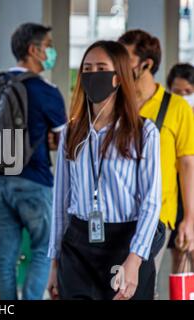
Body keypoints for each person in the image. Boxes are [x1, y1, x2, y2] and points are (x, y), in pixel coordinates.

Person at [47, 40, 161, 300]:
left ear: (119, 76)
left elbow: (151, 203)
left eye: (101, 67)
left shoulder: (143, 132)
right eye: (86, 69)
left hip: (126, 243)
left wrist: (135, 260)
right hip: (77, 245)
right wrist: (54, 264)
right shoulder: (71, 131)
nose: (92, 75)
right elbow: (60, 200)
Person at [0, 23, 67, 300]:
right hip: (34, 181)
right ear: (34, 50)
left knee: (4, 259)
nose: (51, 52)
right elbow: (64, 141)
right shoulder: (45, 90)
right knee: (42, 251)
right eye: (49, 46)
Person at [119, 30, 194, 298]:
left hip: (158, 217)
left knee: (142, 288)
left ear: (146, 64)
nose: (118, 64)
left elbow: (186, 164)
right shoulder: (115, 102)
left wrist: (189, 219)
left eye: (124, 58)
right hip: (115, 216)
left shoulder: (177, 108)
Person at [166, 63, 194, 273]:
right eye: (177, 92)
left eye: (189, 92)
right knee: (180, 255)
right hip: (177, 193)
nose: (183, 97)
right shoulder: (169, 117)